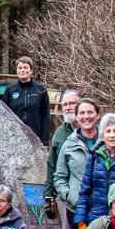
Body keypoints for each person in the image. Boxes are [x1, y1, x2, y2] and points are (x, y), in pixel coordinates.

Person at [52, 98, 99, 229]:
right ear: (77, 116)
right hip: (74, 206)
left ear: (97, 115)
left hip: (99, 207)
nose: (86, 117)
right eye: (82, 113)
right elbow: (59, 176)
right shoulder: (69, 144)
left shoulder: (107, 141)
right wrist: (68, 195)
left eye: (90, 113)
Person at [44, 88, 81, 218]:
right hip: (65, 194)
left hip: (87, 194)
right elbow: (51, 164)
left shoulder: (94, 131)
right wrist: (49, 195)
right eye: (64, 104)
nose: (67, 107)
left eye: (72, 103)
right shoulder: (60, 133)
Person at [0, 56, 51, 144]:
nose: (22, 70)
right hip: (14, 137)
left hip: (35, 136)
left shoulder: (41, 90)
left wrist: (44, 140)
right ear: (16, 71)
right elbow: (4, 115)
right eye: (20, 68)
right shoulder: (10, 90)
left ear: (31, 70)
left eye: (25, 67)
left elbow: (46, 115)